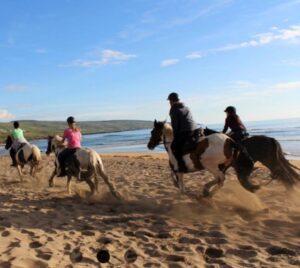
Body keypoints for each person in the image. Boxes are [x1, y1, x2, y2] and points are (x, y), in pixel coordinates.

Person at [168, 92, 198, 172]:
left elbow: (175, 125)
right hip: (194, 129)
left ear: (171, 101)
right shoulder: (186, 107)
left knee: (174, 147)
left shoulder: (173, 110)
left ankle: (182, 167)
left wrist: (175, 137)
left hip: (185, 131)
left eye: (169, 101)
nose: (169, 103)